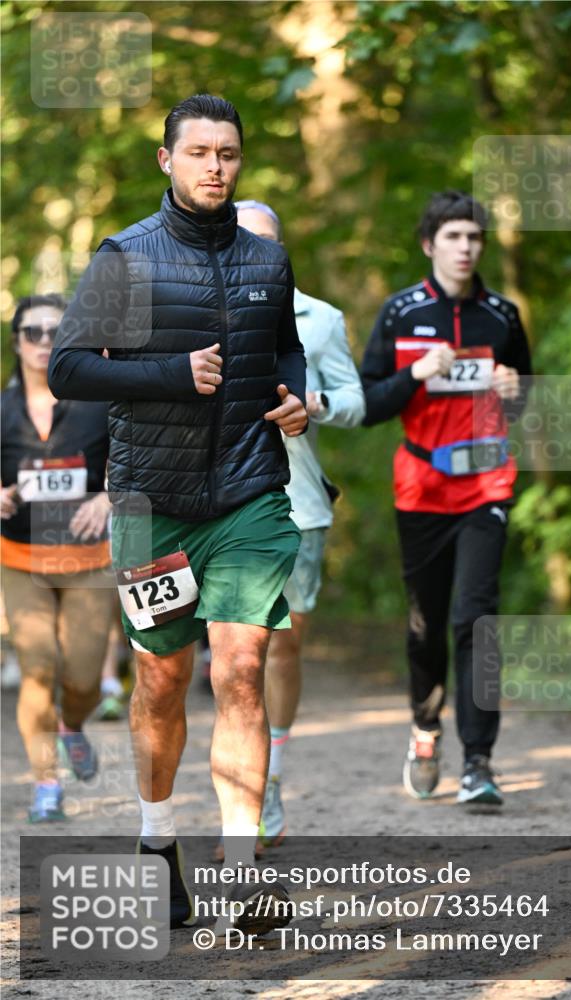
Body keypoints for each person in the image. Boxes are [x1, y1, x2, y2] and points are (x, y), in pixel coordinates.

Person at [48, 94, 307, 934]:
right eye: (198, 152)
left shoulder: (268, 261)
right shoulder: (126, 257)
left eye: (228, 154)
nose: (214, 167)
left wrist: (295, 394)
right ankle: (159, 842)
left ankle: (243, 874)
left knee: (238, 668)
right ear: (167, 159)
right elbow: (70, 369)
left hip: (247, 492)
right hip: (147, 505)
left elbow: (285, 347)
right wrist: (167, 374)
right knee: (161, 678)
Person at [361, 190, 532, 806]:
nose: (466, 248)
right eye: (454, 237)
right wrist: (415, 375)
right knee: (425, 626)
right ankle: (425, 728)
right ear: (430, 244)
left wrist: (515, 391)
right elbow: (369, 403)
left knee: (476, 617)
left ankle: (480, 762)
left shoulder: (502, 316)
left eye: (474, 238)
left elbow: (520, 399)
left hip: (487, 483)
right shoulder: (401, 313)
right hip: (422, 486)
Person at [235, 200, 365, 846]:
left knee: (282, 647)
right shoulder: (199, 309)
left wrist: (318, 403)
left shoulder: (319, 319)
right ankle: (240, 790)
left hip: (300, 503)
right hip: (219, 503)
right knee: (236, 655)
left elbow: (357, 399)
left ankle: (274, 775)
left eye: (263, 243)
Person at [1, 294, 114, 822]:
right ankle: (46, 783)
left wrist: (108, 496)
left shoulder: (100, 398)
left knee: (85, 678)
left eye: (54, 331)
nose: (44, 342)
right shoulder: (3, 409)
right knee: (38, 666)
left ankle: (72, 726)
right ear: (17, 341)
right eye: (33, 332)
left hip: (89, 558)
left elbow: (136, 454)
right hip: (20, 556)